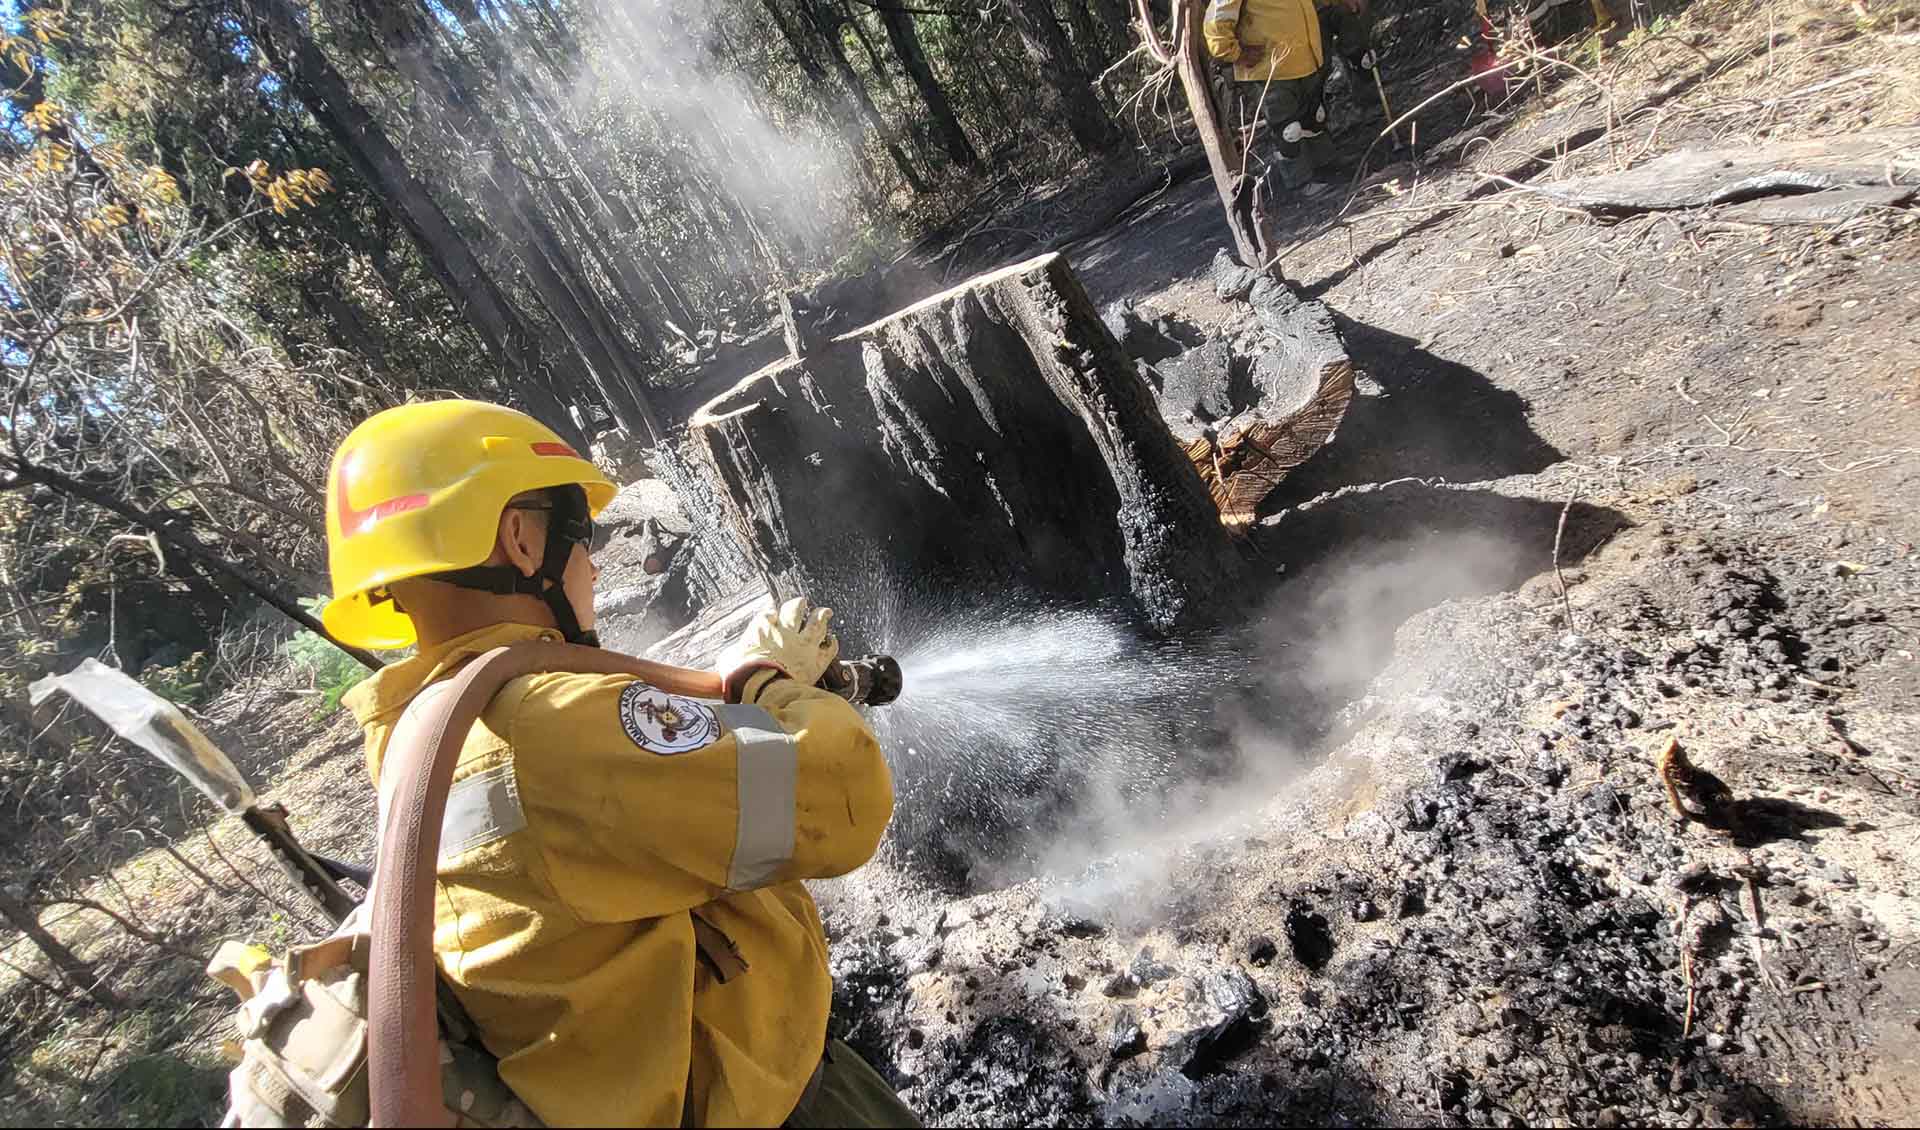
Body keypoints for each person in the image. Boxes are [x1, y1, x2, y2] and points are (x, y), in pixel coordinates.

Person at [323, 399, 915, 1127]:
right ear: (521, 540)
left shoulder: (425, 733)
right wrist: (769, 684)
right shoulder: (546, 729)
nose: (595, 566)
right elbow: (843, 796)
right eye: (584, 536)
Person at [1203, 0, 1335, 192]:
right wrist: (1234, 53)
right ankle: (1301, 183)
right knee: (1288, 129)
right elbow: (1217, 18)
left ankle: (1326, 167)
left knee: (1314, 117)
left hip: (1305, 58)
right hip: (1268, 69)